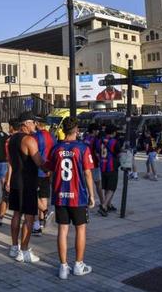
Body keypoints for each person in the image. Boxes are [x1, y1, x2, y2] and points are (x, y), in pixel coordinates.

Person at [45, 117, 95, 279]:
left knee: (62, 230)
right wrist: (92, 195)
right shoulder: (82, 148)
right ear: (76, 130)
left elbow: (50, 172)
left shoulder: (56, 149)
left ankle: (63, 267)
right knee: (80, 229)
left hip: (61, 195)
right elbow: (88, 172)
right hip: (78, 196)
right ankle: (78, 264)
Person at [7, 111, 46, 263]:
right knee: (29, 217)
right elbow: (39, 162)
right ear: (25, 124)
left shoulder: (12, 139)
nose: (35, 125)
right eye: (33, 122)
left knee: (16, 214)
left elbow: (10, 160)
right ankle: (24, 250)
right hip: (27, 181)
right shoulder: (29, 140)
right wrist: (51, 168)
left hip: (16, 180)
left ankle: (14, 246)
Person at [0, 118, 20, 228]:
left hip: (13, 173)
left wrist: (8, 180)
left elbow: (10, 162)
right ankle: (39, 219)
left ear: (12, 127)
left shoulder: (10, 141)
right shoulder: (26, 139)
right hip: (24, 174)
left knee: (5, 198)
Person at [32, 118, 55, 236]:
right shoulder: (52, 136)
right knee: (44, 196)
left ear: (36, 124)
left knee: (34, 196)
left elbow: (32, 153)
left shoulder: (35, 136)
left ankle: (37, 224)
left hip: (37, 170)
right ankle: (42, 222)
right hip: (48, 171)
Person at [95, 125, 121, 216]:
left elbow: (97, 152)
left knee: (106, 187)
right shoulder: (114, 142)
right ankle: (104, 205)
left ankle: (108, 204)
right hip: (112, 167)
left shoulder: (99, 141)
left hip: (103, 166)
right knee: (111, 188)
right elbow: (119, 154)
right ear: (113, 132)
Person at [83, 123, 105, 206]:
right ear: (94, 131)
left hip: (85, 164)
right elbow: (98, 151)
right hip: (94, 164)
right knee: (98, 185)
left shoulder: (85, 138)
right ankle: (103, 202)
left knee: (85, 184)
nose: (98, 131)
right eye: (97, 130)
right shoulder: (96, 140)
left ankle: (87, 200)